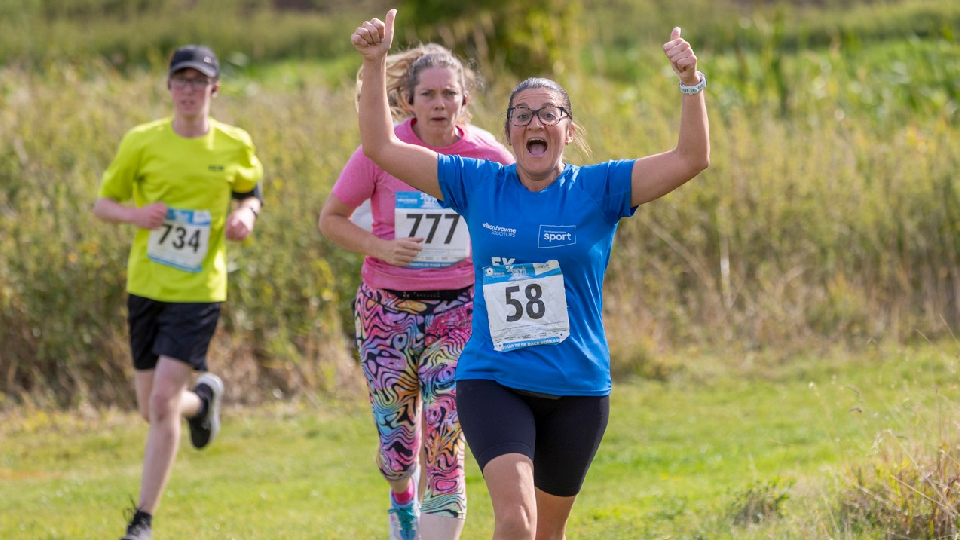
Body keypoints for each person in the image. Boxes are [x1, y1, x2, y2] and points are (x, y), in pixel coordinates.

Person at [350, 9, 709, 540]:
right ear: (508, 132)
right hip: (494, 379)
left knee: (547, 533)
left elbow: (692, 158)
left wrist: (689, 82)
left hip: (578, 386)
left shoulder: (600, 188)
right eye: (522, 114)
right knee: (516, 522)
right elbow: (382, 148)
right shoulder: (477, 182)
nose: (535, 122)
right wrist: (376, 62)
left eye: (549, 113)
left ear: (568, 128)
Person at [318, 42, 515, 540]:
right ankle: (400, 495)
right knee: (398, 450)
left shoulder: (488, 155)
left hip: (461, 312)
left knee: (445, 442)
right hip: (387, 311)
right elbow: (331, 220)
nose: (439, 103)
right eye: (428, 94)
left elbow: (518, 219)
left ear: (465, 100)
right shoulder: (382, 151)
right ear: (408, 102)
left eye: (449, 93)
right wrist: (379, 248)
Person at [93, 44, 264, 540]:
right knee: (151, 407)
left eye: (199, 81)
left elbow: (250, 189)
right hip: (146, 285)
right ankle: (204, 401)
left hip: (200, 287)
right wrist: (134, 215)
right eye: (181, 80)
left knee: (163, 401)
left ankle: (142, 520)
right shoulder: (141, 142)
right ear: (169, 87)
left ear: (214, 88)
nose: (189, 89)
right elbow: (103, 204)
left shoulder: (233, 144)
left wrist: (245, 215)